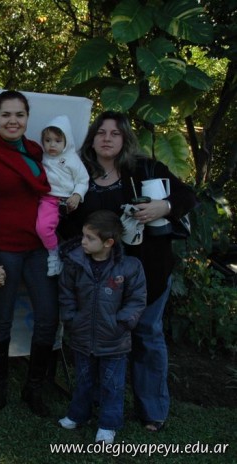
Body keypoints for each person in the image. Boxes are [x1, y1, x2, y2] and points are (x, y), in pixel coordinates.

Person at [58, 111, 198, 432]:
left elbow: (187, 196)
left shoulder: (144, 169)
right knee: (99, 338)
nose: (107, 138)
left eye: (115, 133)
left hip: (149, 271)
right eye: (101, 132)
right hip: (98, 279)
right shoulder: (77, 174)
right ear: (92, 138)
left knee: (147, 335)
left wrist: (164, 207)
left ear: (125, 139)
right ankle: (96, 402)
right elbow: (66, 226)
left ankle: (152, 410)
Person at [0, 90, 58, 416]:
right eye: (6, 114)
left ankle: (33, 388)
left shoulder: (37, 151)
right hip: (4, 250)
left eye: (19, 114)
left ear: (27, 118)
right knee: (1, 318)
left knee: (48, 317)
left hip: (39, 250)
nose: (13, 121)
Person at [58, 210, 147, 445]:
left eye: (89, 238)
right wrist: (71, 318)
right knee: (83, 379)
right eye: (83, 235)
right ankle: (78, 414)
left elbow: (136, 300)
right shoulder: (75, 263)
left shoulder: (129, 267)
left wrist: (122, 323)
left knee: (112, 384)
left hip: (115, 340)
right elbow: (66, 293)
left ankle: (108, 424)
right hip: (82, 336)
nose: (83, 241)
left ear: (108, 243)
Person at [36, 115, 89, 276]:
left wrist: (77, 195)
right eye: (48, 140)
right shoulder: (42, 158)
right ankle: (53, 253)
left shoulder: (72, 159)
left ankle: (75, 262)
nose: (52, 145)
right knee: (42, 228)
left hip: (69, 201)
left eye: (58, 141)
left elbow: (83, 180)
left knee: (75, 233)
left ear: (67, 141)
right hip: (48, 199)